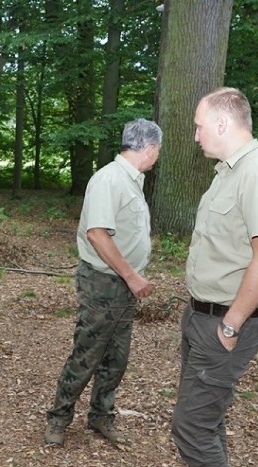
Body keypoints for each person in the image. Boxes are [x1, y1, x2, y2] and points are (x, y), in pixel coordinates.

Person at [150, 87, 258, 467]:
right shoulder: (225, 174)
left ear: (224, 124)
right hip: (201, 316)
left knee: (191, 424)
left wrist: (230, 323)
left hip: (226, 323)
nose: (195, 135)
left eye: (198, 125)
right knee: (205, 419)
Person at [44, 118, 161, 447]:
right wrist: (133, 276)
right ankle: (58, 418)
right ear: (149, 148)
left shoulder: (131, 180)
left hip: (122, 286)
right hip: (104, 284)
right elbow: (97, 234)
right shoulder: (110, 179)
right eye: (158, 149)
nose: (158, 155)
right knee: (88, 354)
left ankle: (100, 417)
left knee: (116, 358)